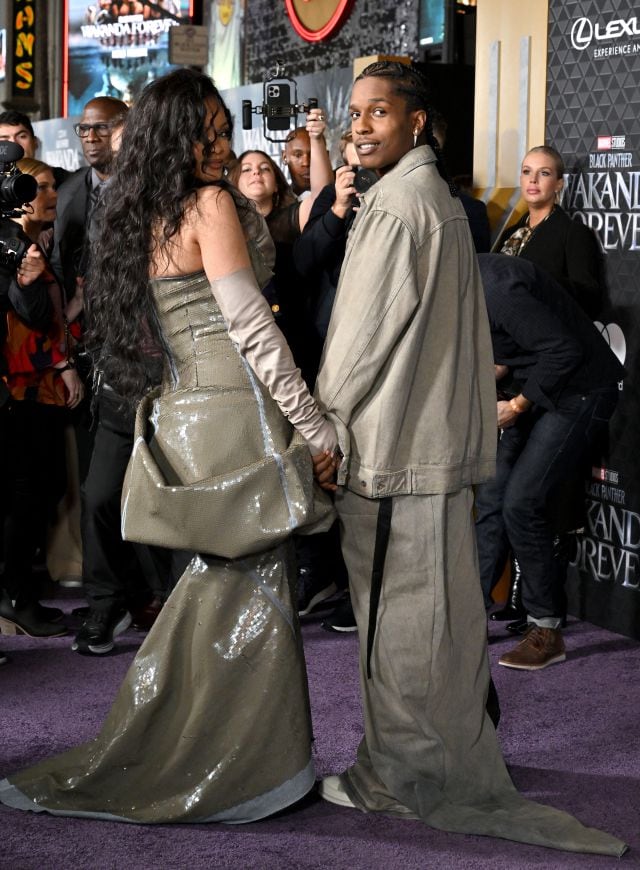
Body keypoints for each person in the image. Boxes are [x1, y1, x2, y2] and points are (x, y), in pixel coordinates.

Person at [0, 68, 337, 824]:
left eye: (224, 128)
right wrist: (315, 426)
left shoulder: (140, 214)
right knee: (248, 594)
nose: (221, 144)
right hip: (235, 415)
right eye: (208, 132)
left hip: (184, 413)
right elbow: (252, 330)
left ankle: (215, 753)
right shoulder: (211, 204)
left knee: (212, 595)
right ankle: (249, 771)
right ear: (174, 138)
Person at [313, 60, 626, 857]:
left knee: (397, 634)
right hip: (438, 452)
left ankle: (394, 779)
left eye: (378, 112)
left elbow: (357, 345)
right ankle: (408, 767)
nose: (360, 124)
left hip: (389, 453)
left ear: (418, 122)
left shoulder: (396, 208)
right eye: (355, 112)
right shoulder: (444, 204)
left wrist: (314, 429)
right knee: (434, 629)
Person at [474, 253, 623, 669]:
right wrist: (501, 370)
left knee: (522, 501)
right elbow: (520, 341)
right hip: (537, 386)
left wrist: (516, 406)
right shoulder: (465, 281)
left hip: (579, 391)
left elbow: (563, 350)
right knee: (491, 497)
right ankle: (469, 619)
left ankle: (546, 630)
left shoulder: (494, 288)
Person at [491, 145, 604, 630]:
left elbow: (589, 298)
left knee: (534, 497)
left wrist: (542, 295)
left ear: (559, 184)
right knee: (501, 495)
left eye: (544, 174)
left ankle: (537, 606)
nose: (533, 181)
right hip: (512, 379)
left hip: (556, 378)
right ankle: (506, 598)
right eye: (527, 172)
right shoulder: (510, 235)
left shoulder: (570, 234)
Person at [0, 158, 84, 639]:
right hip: (24, 388)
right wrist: (62, 363)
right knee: (30, 491)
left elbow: (43, 318)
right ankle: (17, 599)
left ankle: (20, 597)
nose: (53, 195)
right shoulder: (13, 246)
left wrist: (73, 307)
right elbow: (23, 324)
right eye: (45, 187)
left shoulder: (30, 245)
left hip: (39, 384)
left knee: (42, 489)